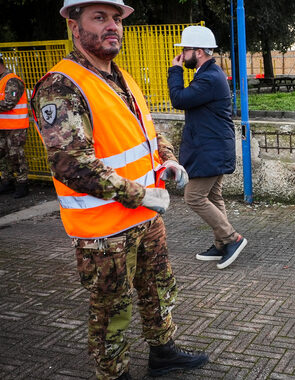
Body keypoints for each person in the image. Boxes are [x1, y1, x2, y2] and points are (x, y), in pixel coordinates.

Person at [31, 1, 207, 378]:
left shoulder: (121, 77)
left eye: (116, 19)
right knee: (112, 309)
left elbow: (147, 132)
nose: (112, 26)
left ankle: (164, 352)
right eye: (99, 18)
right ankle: (114, 373)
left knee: (158, 289)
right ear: (74, 27)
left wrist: (169, 159)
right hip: (105, 230)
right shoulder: (61, 86)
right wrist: (139, 194)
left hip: (146, 217)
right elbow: (70, 163)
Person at [167, 25, 246, 270]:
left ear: (198, 51)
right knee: (213, 196)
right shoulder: (208, 73)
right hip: (212, 146)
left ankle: (232, 238)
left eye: (185, 50)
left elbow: (178, 99)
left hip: (211, 148)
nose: (181, 55)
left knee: (193, 196)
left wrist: (175, 70)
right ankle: (221, 243)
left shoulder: (209, 77)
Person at [0, 55, 30, 198]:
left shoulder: (12, 81)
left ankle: (22, 184)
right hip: (3, 126)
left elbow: (9, 103)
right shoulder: (2, 80)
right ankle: (7, 182)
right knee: (3, 155)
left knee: (16, 155)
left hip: (15, 127)